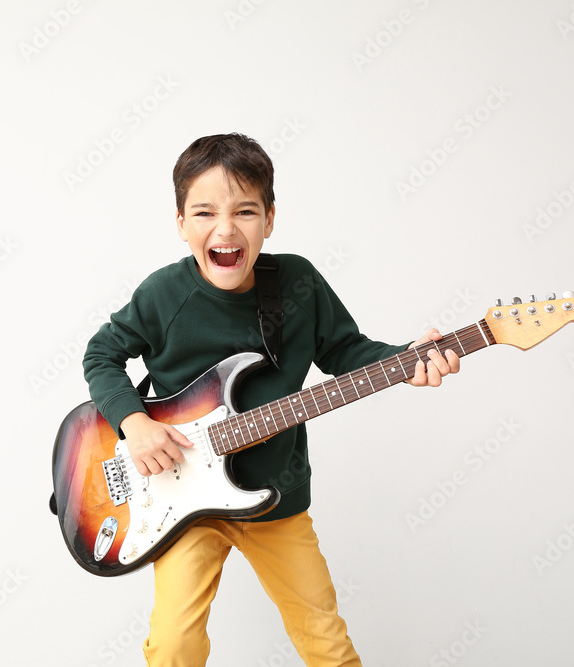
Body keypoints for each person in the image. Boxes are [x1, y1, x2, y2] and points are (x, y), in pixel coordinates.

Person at [82, 133, 459, 666]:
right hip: (184, 501)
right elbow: (101, 354)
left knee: (325, 639)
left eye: (245, 211)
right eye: (205, 212)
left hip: (275, 497)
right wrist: (134, 422)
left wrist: (408, 358)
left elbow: (347, 351)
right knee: (173, 645)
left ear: (271, 218)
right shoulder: (164, 293)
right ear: (181, 223)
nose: (226, 229)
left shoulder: (298, 282)